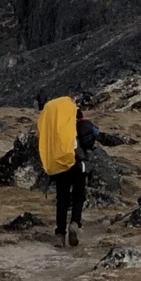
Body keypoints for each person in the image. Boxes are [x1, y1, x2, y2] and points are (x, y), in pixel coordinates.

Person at [35, 89, 99, 247]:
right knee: (79, 195)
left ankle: (60, 234)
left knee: (62, 200)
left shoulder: (50, 123)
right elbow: (90, 135)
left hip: (59, 163)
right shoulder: (74, 116)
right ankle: (75, 223)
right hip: (77, 161)